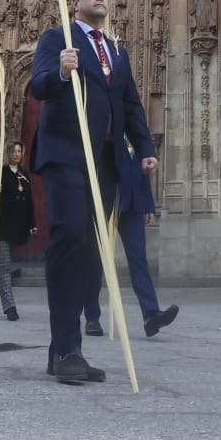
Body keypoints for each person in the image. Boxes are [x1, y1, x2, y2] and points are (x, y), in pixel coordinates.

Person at [29, 0, 160, 386]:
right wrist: (63, 74)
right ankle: (66, 347)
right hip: (67, 154)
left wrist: (145, 146)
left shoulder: (115, 50)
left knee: (92, 250)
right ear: (76, 3)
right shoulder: (57, 39)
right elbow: (38, 86)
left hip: (106, 161)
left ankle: (67, 352)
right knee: (69, 238)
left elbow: (129, 102)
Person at [84, 139, 179, 338]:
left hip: (134, 205)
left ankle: (151, 314)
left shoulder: (136, 138)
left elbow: (144, 173)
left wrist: (148, 205)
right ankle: (92, 317)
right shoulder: (107, 131)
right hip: (107, 203)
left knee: (138, 260)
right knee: (96, 260)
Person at [0, 142, 35, 320]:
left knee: (0, 267)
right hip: (2, 226)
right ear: (7, 153)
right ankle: (10, 307)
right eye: (14, 151)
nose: (17, 154)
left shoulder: (24, 174)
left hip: (17, 227)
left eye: (20, 151)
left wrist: (31, 223)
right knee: (4, 266)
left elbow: (29, 201)